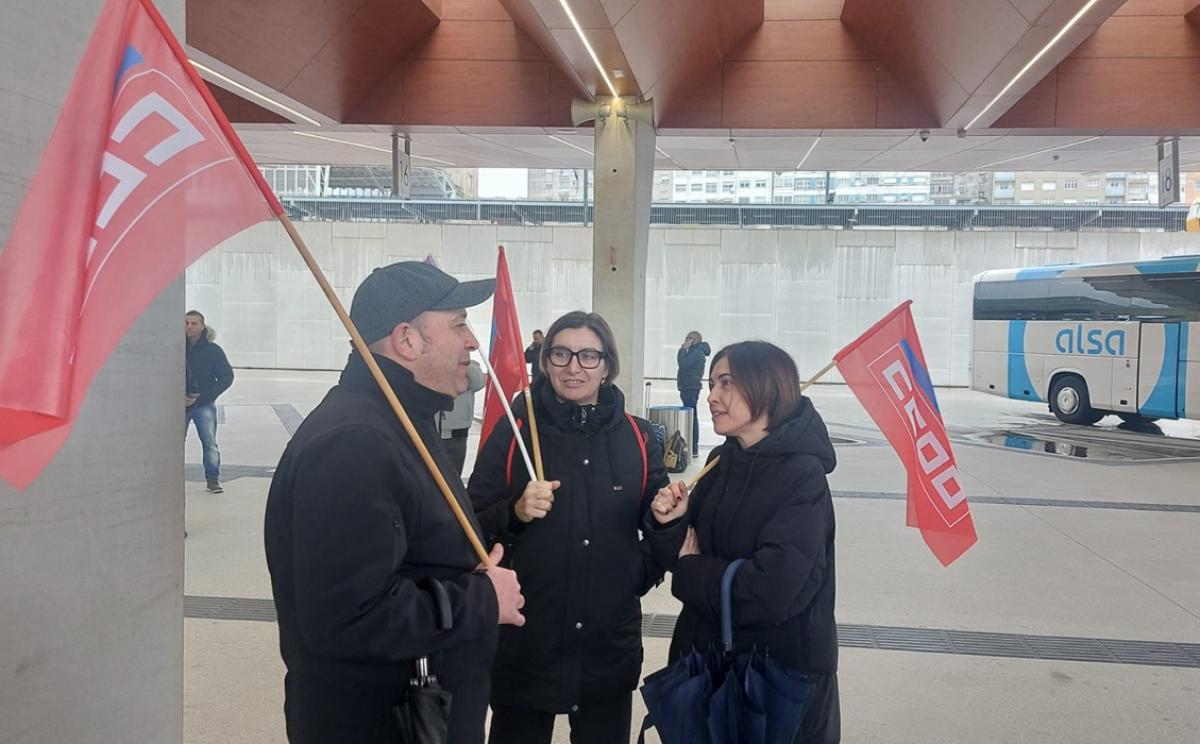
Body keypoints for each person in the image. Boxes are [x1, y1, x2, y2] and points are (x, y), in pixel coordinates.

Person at [263, 261, 526, 744]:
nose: (472, 341)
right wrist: (480, 600)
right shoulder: (355, 443)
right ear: (406, 340)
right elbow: (348, 616)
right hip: (381, 723)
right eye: (458, 324)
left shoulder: (403, 419)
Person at [470, 311, 670, 744]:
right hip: (526, 642)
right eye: (560, 354)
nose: (573, 367)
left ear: (607, 365)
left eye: (588, 356)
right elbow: (469, 522)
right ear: (544, 362)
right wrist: (515, 512)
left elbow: (661, 523)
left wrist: (635, 574)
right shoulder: (517, 430)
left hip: (606, 646)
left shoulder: (638, 438)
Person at [646, 340, 840, 743]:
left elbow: (771, 591)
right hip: (707, 666)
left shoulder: (803, 476)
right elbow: (681, 550)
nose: (712, 396)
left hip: (774, 682)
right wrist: (670, 523)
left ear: (766, 387)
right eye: (712, 383)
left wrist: (691, 569)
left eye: (726, 383)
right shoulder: (722, 460)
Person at [185, 310, 234, 493]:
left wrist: (206, 396)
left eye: (194, 323)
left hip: (203, 404)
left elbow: (226, 377)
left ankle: (212, 479)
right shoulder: (175, 347)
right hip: (178, 404)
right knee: (173, 444)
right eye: (186, 323)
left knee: (209, 442)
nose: (189, 327)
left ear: (202, 326)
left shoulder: (213, 351)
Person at [439, 359, 485, 476]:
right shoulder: (433, 360)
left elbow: (479, 383)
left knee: (454, 477)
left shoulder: (470, 365)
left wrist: (464, 361)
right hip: (432, 431)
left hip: (458, 434)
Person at [676, 330, 710, 455]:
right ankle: (692, 447)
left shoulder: (697, 353)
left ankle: (693, 447)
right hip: (687, 387)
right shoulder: (695, 352)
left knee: (692, 417)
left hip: (691, 388)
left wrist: (682, 350)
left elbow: (683, 364)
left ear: (693, 340)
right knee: (691, 416)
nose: (685, 341)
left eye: (687, 339)